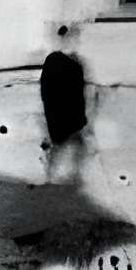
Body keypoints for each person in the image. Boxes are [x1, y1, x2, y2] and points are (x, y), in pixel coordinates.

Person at [39, 49, 91, 186]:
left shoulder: (58, 62)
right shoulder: (70, 65)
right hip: (68, 125)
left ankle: (54, 176)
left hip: (62, 125)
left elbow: (47, 95)